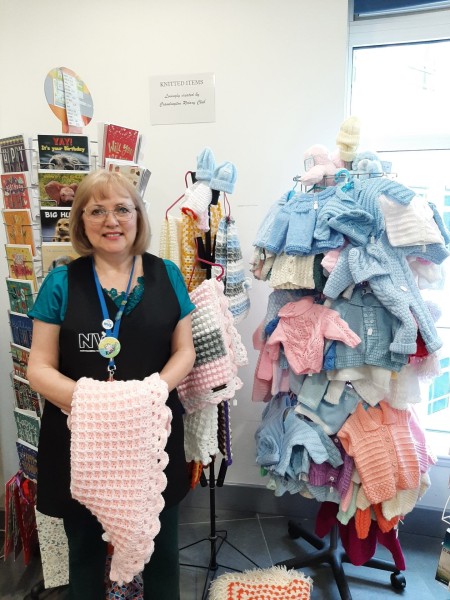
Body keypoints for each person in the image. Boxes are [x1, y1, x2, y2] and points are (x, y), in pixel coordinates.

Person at [27, 169, 196, 600]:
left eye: (122, 208)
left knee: (161, 549)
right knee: (83, 549)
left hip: (152, 436)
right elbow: (39, 368)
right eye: (96, 210)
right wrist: (99, 404)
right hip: (77, 440)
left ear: (138, 216)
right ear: (81, 222)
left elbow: (185, 352)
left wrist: (147, 396)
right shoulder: (61, 282)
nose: (111, 220)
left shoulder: (168, 275)